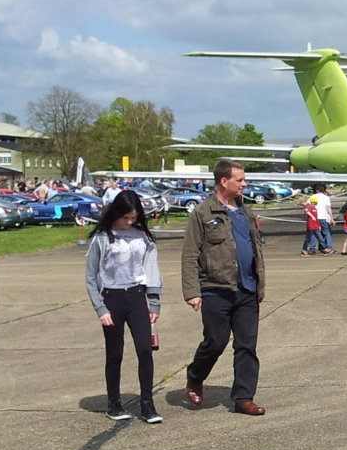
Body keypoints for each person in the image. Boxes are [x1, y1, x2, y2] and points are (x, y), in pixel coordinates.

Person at [182, 160, 266, 415]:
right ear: (223, 181)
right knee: (215, 342)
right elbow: (190, 254)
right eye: (240, 180)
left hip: (247, 289)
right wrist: (192, 292)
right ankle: (195, 376)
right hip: (215, 289)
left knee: (246, 346)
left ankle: (243, 398)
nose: (244, 184)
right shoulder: (203, 213)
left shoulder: (246, 212)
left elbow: (253, 248)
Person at [85, 190, 163, 424]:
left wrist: (154, 302)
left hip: (136, 296)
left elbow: (151, 269)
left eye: (133, 217)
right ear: (116, 213)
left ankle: (147, 404)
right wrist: (101, 308)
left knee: (145, 349)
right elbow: (91, 277)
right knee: (115, 353)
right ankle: (114, 403)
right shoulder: (102, 238)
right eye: (125, 218)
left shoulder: (143, 237)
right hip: (111, 298)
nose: (129, 222)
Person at [310, 184, 335, 254]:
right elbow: (328, 209)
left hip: (315, 217)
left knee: (314, 233)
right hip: (323, 217)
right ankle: (329, 247)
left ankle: (312, 248)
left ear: (317, 190)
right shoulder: (326, 197)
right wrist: (331, 218)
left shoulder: (313, 196)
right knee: (327, 232)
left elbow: (308, 205)